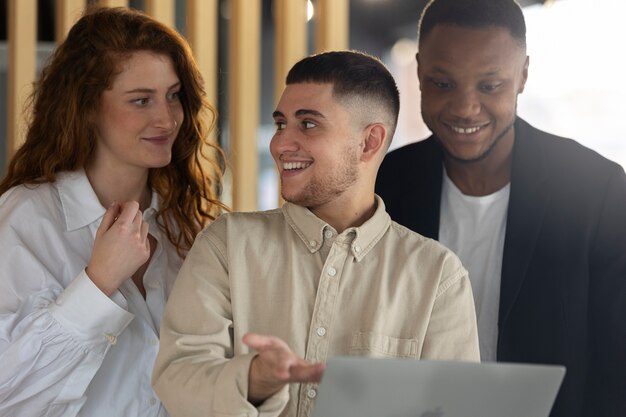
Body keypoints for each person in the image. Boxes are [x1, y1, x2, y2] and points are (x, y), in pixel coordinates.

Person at [152, 50, 479, 417]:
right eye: (280, 124)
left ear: (369, 142)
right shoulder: (226, 244)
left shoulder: (438, 277)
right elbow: (177, 378)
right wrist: (254, 379)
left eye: (307, 124)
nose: (280, 144)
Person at [375, 1, 626, 416]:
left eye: (490, 86)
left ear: (523, 75)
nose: (465, 108)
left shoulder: (596, 191)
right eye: (442, 83)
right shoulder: (383, 187)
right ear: (419, 71)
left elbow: (617, 368)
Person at [0, 6, 226, 417]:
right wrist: (97, 283)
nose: (166, 118)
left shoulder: (187, 227)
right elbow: (8, 394)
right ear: (86, 107)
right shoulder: (27, 218)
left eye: (173, 96)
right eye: (141, 100)